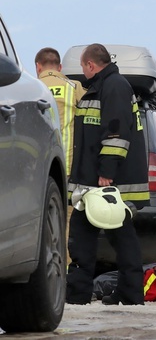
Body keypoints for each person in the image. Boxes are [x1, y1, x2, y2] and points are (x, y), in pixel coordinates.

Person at [65, 43, 150, 306]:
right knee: (105, 236)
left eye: (83, 66)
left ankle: (82, 293)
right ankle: (125, 292)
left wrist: (106, 172)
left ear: (91, 65)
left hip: (106, 183)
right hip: (95, 182)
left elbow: (116, 131)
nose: (83, 71)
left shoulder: (113, 86)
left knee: (104, 237)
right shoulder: (103, 87)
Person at [35, 47, 87, 265]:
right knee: (64, 221)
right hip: (67, 167)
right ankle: (61, 271)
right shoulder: (74, 88)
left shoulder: (32, 88)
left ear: (38, 67)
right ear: (60, 67)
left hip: (35, 168)